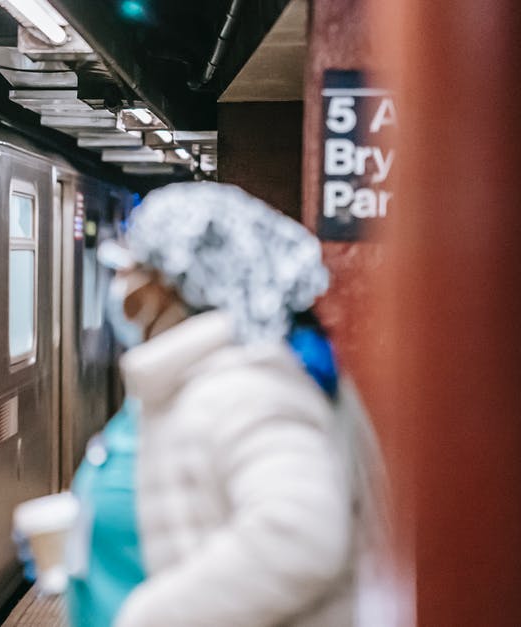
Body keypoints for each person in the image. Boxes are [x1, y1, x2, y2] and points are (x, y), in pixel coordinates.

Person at [66, 181, 386, 627]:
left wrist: (147, 617)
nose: (121, 284)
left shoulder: (247, 389)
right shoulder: (186, 380)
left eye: (135, 267)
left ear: (177, 286)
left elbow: (299, 536)